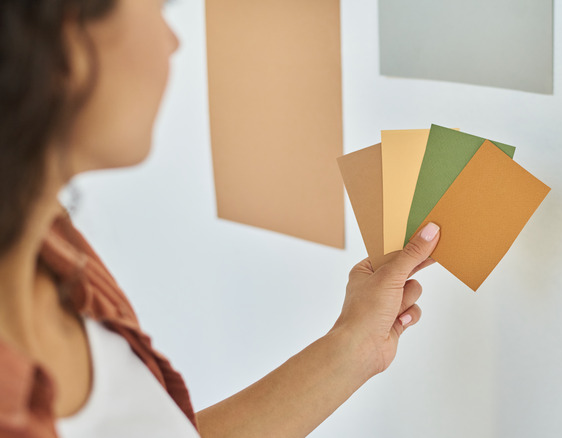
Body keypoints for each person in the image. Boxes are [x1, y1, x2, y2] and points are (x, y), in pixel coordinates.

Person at [0, 0, 441, 437]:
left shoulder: (58, 250)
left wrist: (355, 345)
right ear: (68, 36)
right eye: (160, 9)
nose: (173, 42)